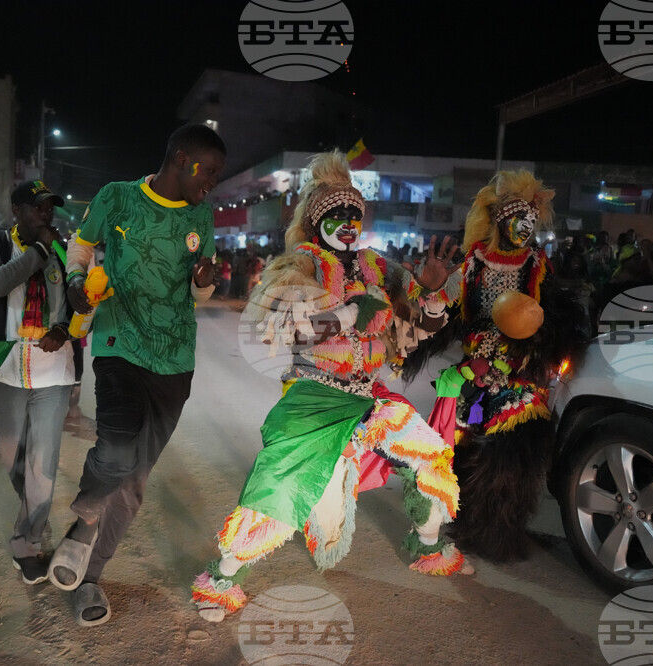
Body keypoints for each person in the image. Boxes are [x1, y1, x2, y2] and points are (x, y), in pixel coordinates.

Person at [191, 150, 469, 624]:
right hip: (317, 393)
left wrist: (431, 288)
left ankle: (431, 546)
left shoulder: (378, 266)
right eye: (337, 214)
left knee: (427, 453)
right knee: (280, 486)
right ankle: (222, 578)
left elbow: (419, 322)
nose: (347, 223)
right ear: (317, 219)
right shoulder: (301, 262)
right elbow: (273, 325)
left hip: (371, 394)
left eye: (354, 214)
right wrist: (343, 315)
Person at [46, 124, 224, 627]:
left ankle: (91, 577)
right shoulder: (117, 197)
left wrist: (204, 283)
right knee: (117, 448)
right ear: (182, 158)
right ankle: (83, 525)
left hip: (175, 359)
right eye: (207, 170)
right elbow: (80, 249)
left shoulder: (201, 216)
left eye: (217, 175)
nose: (211, 182)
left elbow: (198, 295)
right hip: (118, 341)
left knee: (134, 482)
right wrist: (78, 283)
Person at [402, 169, 578, 563]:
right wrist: (427, 297)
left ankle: (499, 531)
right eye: (518, 220)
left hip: (519, 372)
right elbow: (446, 314)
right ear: (500, 220)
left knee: (510, 461)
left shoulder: (537, 265)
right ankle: (461, 521)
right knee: (462, 451)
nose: (525, 229)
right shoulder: (473, 264)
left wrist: (540, 334)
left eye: (531, 222)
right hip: (475, 370)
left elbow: (553, 314)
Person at [0, 180, 74, 586]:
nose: (46, 215)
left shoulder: (63, 247)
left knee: (42, 463)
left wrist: (64, 327)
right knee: (11, 457)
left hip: (54, 372)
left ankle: (27, 541)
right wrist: (37, 252)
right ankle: (32, 509)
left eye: (50, 208)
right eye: (38, 208)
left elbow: (72, 297)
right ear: (17, 209)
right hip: (6, 370)